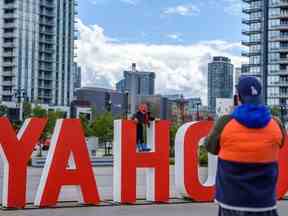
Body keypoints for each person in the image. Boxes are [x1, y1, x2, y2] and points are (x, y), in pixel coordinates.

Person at [204, 76, 286, 216]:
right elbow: (281, 143)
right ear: (260, 96)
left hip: (230, 203)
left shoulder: (225, 123)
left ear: (238, 98)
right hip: (264, 204)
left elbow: (210, 147)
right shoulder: (276, 124)